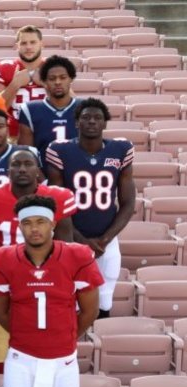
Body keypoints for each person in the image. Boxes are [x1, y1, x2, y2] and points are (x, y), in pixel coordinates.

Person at [0, 195, 103, 387]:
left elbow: (90, 310)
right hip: (21, 357)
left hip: (64, 359)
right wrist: (27, 335)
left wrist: (65, 335)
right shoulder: (2, 259)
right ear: (19, 225)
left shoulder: (77, 255)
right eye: (27, 222)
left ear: (52, 224)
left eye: (40, 221)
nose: (34, 228)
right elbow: (0, 312)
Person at [0, 149, 76, 374]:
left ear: (38, 171)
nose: (22, 169)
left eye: (28, 164)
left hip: (43, 286)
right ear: (7, 170)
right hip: (1, 284)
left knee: (41, 353)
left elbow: (65, 252)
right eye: (16, 164)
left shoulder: (58, 197)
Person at [46, 98, 136, 320]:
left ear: (105, 123)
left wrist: (105, 239)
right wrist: (81, 240)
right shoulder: (60, 150)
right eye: (86, 117)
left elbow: (128, 203)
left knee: (104, 300)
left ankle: (96, 347)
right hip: (69, 236)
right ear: (76, 122)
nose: (92, 122)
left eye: (97, 117)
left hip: (108, 238)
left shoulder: (120, 149)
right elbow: (57, 203)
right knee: (70, 295)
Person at [18, 55, 79, 157]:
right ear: (44, 82)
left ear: (71, 79)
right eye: (52, 78)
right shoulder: (30, 110)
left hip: (77, 171)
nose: (58, 82)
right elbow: (26, 155)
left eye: (63, 77)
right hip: (42, 171)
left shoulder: (84, 108)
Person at [0, 25, 47, 139]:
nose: (28, 47)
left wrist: (46, 84)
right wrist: (15, 84)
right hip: (13, 136)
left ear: (41, 44)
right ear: (17, 46)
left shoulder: (53, 67)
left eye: (33, 42)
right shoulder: (5, 67)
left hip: (47, 134)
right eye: (23, 43)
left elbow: (71, 104)